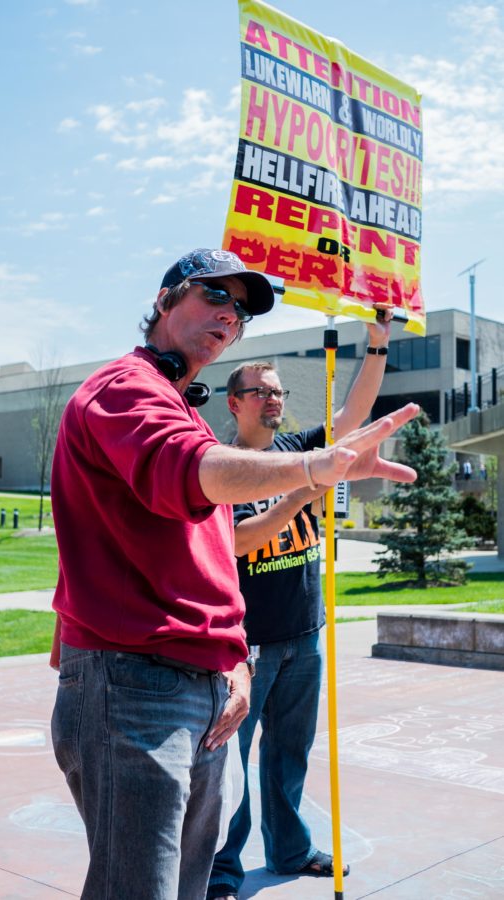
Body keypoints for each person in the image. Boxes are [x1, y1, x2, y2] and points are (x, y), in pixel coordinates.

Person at [50, 247, 418, 900]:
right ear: (165, 301)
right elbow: (195, 475)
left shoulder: (182, 409)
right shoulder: (127, 390)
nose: (230, 314)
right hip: (137, 686)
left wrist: (232, 656)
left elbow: (208, 556)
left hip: (206, 678)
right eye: (214, 296)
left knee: (184, 886)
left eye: (241, 311)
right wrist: (312, 475)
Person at [207, 314, 392, 900]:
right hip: (249, 646)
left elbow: (352, 418)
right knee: (230, 765)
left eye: (279, 391)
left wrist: (379, 343)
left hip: (304, 634)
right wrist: (301, 492)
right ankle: (222, 870)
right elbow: (240, 540)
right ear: (235, 403)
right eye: (261, 391)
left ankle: (289, 848)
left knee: (289, 753)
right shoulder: (222, 465)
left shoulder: (298, 449)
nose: (274, 400)